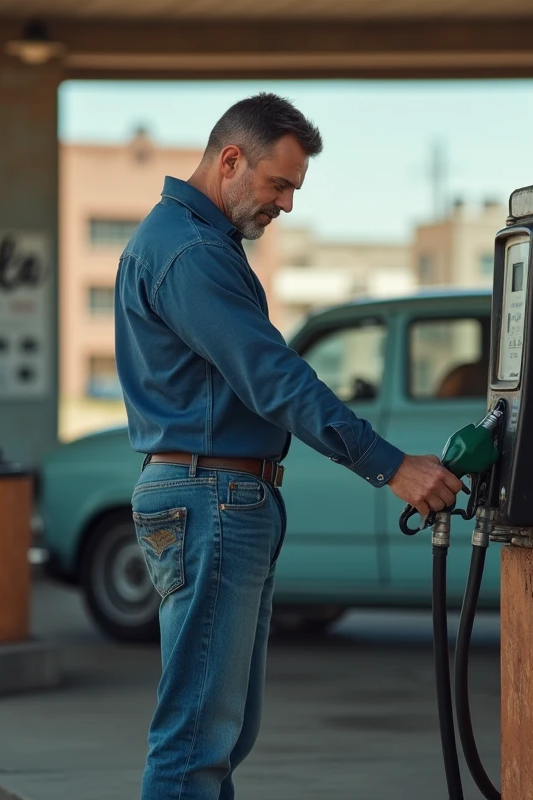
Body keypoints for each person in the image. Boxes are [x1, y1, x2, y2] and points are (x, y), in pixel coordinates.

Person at [114, 92, 465, 800]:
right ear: (230, 160)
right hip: (211, 496)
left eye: (294, 188)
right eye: (279, 184)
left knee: (219, 736)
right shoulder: (190, 253)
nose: (286, 204)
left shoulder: (187, 242)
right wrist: (389, 466)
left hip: (213, 493)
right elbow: (272, 376)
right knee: (195, 743)